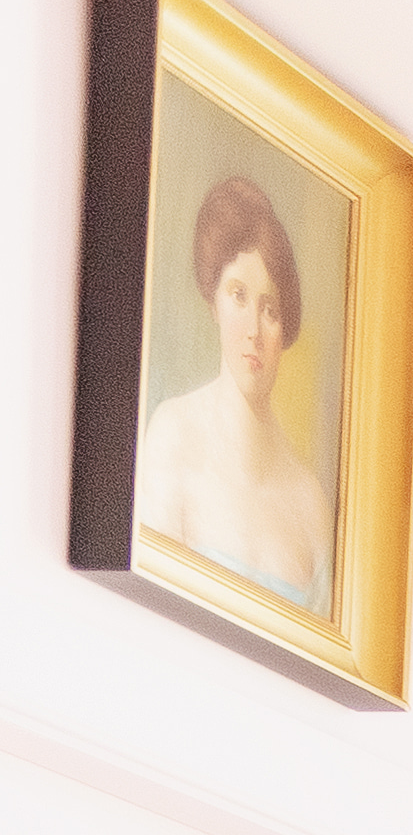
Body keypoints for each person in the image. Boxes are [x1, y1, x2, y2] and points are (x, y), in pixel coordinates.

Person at [131, 176, 333, 615]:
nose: (254, 331)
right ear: (214, 303)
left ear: (285, 330)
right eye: (238, 296)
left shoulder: (310, 503)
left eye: (270, 309)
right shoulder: (173, 437)